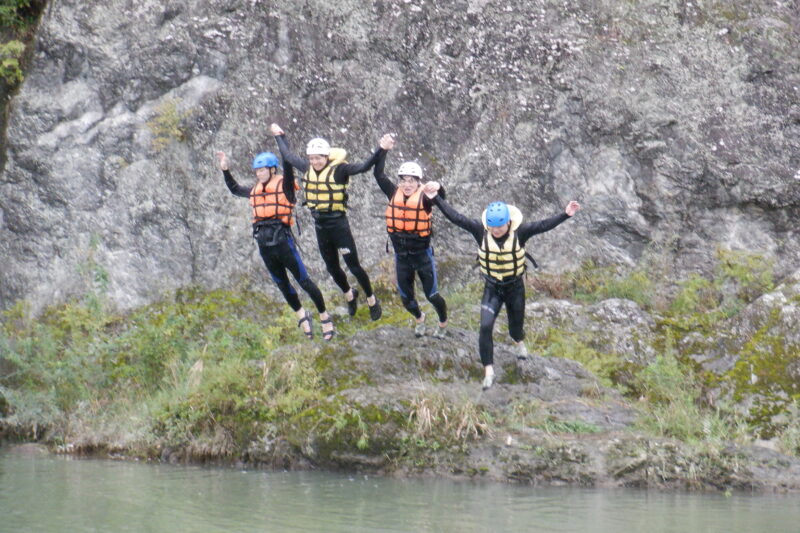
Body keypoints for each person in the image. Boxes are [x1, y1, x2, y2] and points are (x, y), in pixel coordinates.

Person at [424, 181, 580, 389]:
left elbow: (543, 225)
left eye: (499, 226)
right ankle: (488, 370)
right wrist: (436, 198)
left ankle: (518, 342)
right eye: (493, 226)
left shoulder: (520, 232)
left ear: (508, 223)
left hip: (514, 287)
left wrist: (566, 214)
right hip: (492, 288)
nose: (496, 230)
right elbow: (456, 218)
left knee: (515, 328)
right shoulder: (480, 231)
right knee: (485, 327)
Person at [217, 150, 335, 341]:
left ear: (272, 170)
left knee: (304, 281)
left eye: (263, 170)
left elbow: (287, 165)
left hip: (283, 242)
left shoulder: (285, 186)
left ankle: (324, 316)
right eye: (257, 171)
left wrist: (281, 141)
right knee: (282, 284)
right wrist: (225, 169)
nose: (259, 174)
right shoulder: (255, 190)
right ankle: (302, 316)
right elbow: (234, 189)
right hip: (265, 245)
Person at [270, 123, 382, 320]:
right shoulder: (307, 168)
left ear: (326, 157)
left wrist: (382, 149)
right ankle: (350, 294)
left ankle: (372, 299)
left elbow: (365, 166)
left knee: (354, 266)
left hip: (339, 225)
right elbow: (288, 156)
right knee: (332, 267)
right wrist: (279, 135)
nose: (315, 162)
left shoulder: (340, 170)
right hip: (320, 226)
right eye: (312, 158)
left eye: (319, 158)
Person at [373, 134, 448, 338]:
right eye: (404, 180)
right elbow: (378, 173)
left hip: (422, 255)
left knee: (432, 295)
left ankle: (442, 323)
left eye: (412, 181)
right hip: (402, 256)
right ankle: (420, 319)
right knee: (406, 299)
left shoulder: (425, 197)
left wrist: (439, 187)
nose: (407, 184)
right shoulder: (392, 192)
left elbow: (441, 198)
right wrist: (383, 150)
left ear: (418, 182)